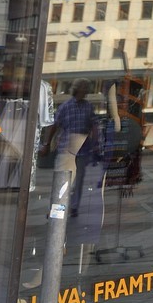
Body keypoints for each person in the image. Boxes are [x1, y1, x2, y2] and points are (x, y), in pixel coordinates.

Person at [44, 79, 98, 214]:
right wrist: (46, 144)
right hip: (66, 148)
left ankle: (73, 207)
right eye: (85, 88)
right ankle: (57, 207)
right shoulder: (65, 106)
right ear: (78, 89)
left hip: (82, 149)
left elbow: (94, 126)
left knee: (78, 180)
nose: (87, 91)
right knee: (62, 179)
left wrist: (95, 143)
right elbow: (54, 126)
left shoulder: (88, 107)